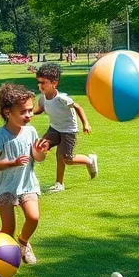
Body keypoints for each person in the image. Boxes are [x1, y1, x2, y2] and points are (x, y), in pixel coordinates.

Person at [0, 83, 49, 264]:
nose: (29, 115)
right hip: (5, 187)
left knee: (33, 217)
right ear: (8, 112)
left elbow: (37, 159)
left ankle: (23, 243)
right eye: (23, 112)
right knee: (8, 229)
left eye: (30, 110)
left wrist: (40, 152)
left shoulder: (30, 131)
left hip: (27, 183)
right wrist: (12, 162)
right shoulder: (1, 136)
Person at [33, 63, 98, 193]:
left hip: (68, 131)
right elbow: (39, 110)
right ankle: (58, 184)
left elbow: (78, 107)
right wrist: (28, 113)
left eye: (43, 82)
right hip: (54, 129)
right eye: (38, 82)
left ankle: (90, 160)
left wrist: (86, 123)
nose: (40, 86)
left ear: (54, 83)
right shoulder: (42, 99)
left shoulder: (62, 98)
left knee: (66, 158)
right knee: (39, 146)